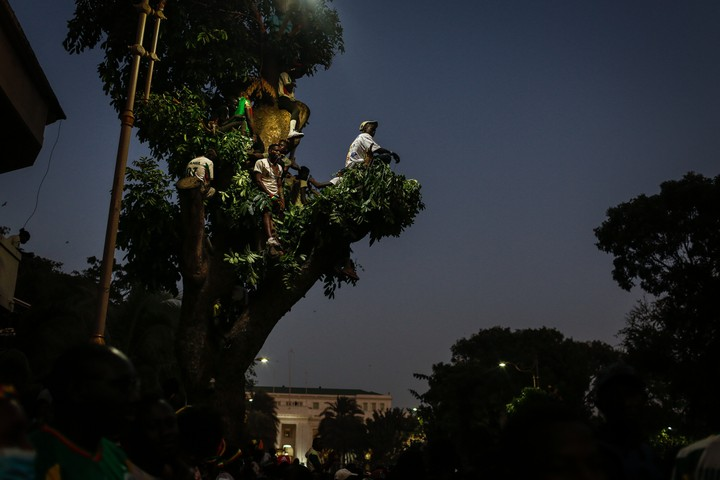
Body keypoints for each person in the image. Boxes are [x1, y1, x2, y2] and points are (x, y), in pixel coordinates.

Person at [30, 344, 138, 479]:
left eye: (134, 386)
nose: (134, 398)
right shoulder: (32, 461)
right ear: (77, 390)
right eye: (122, 385)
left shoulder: (115, 455)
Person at [253, 144, 286, 250]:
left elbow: (279, 185)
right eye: (276, 151)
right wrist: (270, 195)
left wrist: (282, 200)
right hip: (264, 193)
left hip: (275, 195)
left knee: (279, 216)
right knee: (267, 212)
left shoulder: (279, 167)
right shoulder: (261, 162)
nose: (278, 153)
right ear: (270, 151)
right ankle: (270, 239)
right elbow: (258, 181)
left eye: (279, 151)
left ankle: (278, 240)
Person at [278, 67, 305, 139]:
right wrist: (292, 84)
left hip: (288, 99)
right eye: (297, 73)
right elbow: (288, 87)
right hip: (283, 98)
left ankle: (294, 130)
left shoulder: (289, 78)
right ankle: (291, 131)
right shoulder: (285, 74)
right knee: (296, 110)